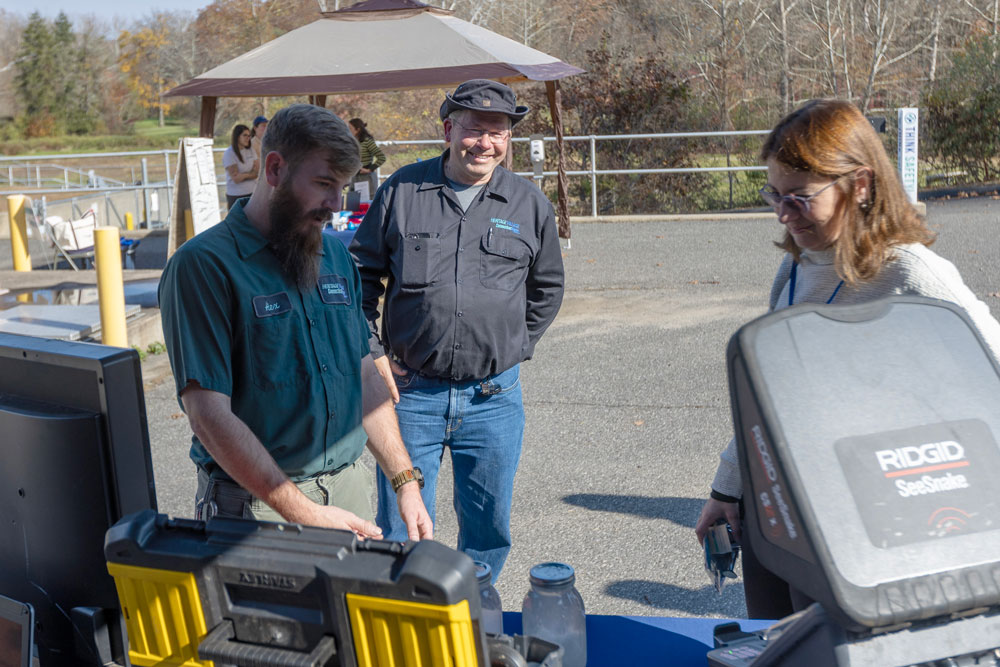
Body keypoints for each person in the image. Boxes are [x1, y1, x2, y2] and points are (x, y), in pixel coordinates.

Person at [693, 98, 1000, 619]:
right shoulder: (796, 269)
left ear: (859, 184)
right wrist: (729, 488)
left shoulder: (912, 272)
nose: (784, 214)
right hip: (784, 509)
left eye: (800, 198)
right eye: (775, 196)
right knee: (777, 643)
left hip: (870, 529)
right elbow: (772, 398)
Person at [158, 104, 433, 541]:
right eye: (324, 184)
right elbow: (208, 414)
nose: (335, 204)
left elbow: (363, 374)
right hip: (258, 507)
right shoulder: (203, 266)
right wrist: (301, 510)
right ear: (274, 169)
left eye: (342, 187)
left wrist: (404, 481)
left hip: (349, 494)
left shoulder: (336, 256)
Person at [349, 79, 565, 579]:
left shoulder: (528, 204)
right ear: (449, 130)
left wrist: (514, 344)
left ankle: (474, 620)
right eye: (473, 129)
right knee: (400, 529)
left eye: (497, 132)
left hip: (494, 399)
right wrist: (374, 350)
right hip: (411, 398)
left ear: (508, 139)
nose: (484, 143)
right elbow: (357, 277)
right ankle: (406, 627)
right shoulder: (402, 191)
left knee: (488, 531)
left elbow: (547, 287)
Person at [222, 124, 258, 209]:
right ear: (237, 136)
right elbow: (236, 179)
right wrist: (250, 174)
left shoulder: (251, 150)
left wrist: (244, 175)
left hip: (252, 194)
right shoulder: (229, 153)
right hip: (236, 196)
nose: (248, 138)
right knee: (236, 222)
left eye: (249, 136)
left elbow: (257, 172)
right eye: (245, 135)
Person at [348, 118, 386, 198]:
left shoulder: (367, 141)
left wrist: (369, 169)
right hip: (354, 176)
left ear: (357, 130)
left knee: (367, 202)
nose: (348, 130)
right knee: (353, 202)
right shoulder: (352, 142)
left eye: (350, 128)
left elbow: (382, 157)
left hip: (366, 178)